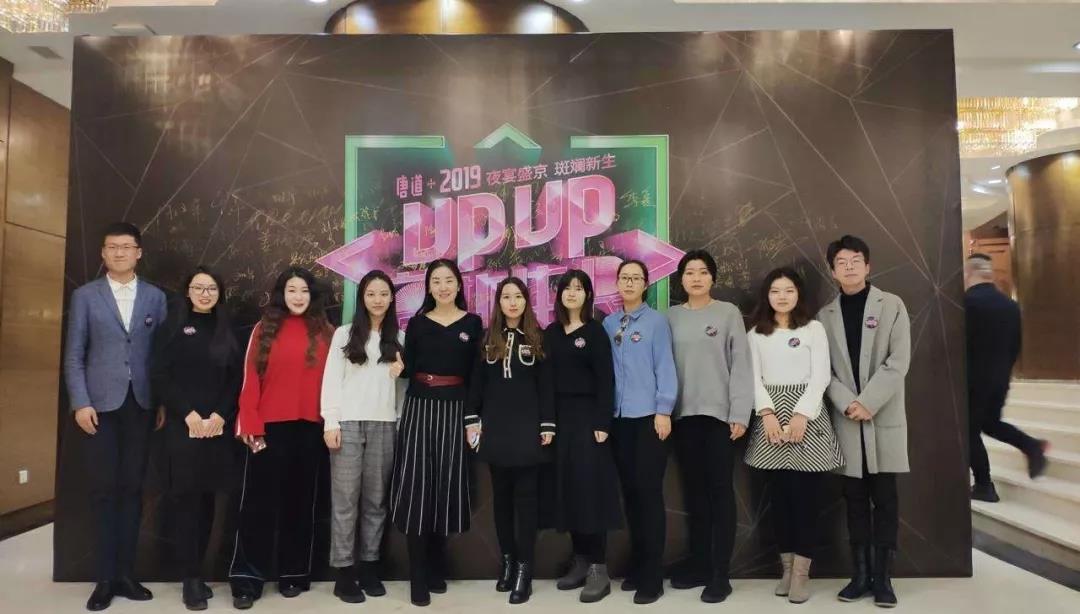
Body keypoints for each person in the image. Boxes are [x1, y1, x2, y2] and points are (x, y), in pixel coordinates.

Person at [63, 222, 167, 612]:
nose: (119, 252)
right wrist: (80, 402)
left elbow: (161, 356)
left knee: (133, 490)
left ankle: (125, 574)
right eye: (112, 247)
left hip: (141, 406)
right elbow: (74, 354)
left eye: (126, 246)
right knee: (104, 491)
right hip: (99, 409)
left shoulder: (155, 297)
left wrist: (161, 402)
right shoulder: (85, 296)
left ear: (139, 252)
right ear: (103, 253)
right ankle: (105, 578)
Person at [228, 267, 333, 610]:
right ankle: (247, 580)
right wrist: (249, 423)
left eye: (304, 290)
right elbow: (250, 378)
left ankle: (293, 574)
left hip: (310, 428)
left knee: (300, 505)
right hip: (268, 429)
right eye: (291, 290)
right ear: (281, 294)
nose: (298, 297)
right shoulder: (264, 329)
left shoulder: (327, 332)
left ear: (312, 295)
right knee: (258, 506)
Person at [817, 235, 910, 609]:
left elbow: (898, 361)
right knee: (854, 501)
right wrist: (848, 403)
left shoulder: (893, 305)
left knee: (885, 500)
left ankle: (883, 579)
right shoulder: (824, 316)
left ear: (868, 266)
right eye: (841, 262)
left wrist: (868, 402)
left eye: (856, 260)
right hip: (847, 420)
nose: (849, 267)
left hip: (882, 414)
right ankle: (859, 577)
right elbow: (822, 370)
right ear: (832, 270)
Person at [743, 267, 843, 604]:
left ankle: (802, 573)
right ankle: (786, 569)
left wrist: (801, 414)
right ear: (767, 296)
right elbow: (753, 378)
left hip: (807, 416)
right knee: (780, 500)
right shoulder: (756, 333)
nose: (782, 296)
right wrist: (767, 413)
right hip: (769, 418)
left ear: (798, 294)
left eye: (788, 290)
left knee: (805, 501)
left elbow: (821, 376)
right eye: (775, 291)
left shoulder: (813, 329)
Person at [390, 258, 483, 607]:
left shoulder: (473, 323)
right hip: (419, 407)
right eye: (436, 281)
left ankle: (435, 566)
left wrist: (473, 417)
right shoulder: (417, 323)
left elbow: (476, 376)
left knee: (445, 485)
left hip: (455, 409)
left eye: (448, 280)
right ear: (428, 287)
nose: (443, 287)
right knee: (417, 487)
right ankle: (418, 576)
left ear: (459, 284)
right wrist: (399, 368)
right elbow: (410, 368)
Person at [151, 266, 242, 611]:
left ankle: (200, 573)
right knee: (186, 503)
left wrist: (219, 415)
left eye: (211, 288)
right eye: (198, 287)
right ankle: (189, 579)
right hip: (183, 426)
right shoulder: (173, 326)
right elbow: (160, 375)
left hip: (217, 428)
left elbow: (235, 379)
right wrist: (188, 414)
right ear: (187, 291)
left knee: (207, 504)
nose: (205, 294)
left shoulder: (227, 328)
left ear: (220, 293)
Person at [666, 250, 754, 603]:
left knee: (720, 494)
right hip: (682, 418)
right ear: (681, 279)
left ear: (713, 278)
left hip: (720, 418)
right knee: (695, 494)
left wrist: (740, 413)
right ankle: (700, 564)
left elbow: (741, 365)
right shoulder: (670, 317)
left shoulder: (728, 313)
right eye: (690, 272)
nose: (696, 278)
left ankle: (721, 574)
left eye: (703, 272)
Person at [465, 276, 556, 605]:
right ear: (499, 302)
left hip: (528, 432)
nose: (513, 302)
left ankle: (524, 570)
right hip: (496, 431)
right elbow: (476, 385)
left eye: (518, 296)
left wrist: (547, 424)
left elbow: (546, 387)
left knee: (526, 504)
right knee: (501, 502)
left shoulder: (538, 337)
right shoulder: (487, 339)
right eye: (506, 297)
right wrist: (472, 421)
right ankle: (507, 561)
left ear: (526, 301)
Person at [321, 270, 405, 603]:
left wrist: (399, 420)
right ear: (362, 298)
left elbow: (404, 389)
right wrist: (331, 422)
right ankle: (343, 573)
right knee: (345, 502)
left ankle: (370, 568)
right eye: (371, 294)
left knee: (376, 502)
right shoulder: (344, 334)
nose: (378, 300)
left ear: (392, 298)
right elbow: (331, 379)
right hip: (348, 424)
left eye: (384, 294)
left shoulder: (400, 337)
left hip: (384, 424)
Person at [601, 259, 678, 605]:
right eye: (624, 278)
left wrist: (664, 410)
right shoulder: (609, 323)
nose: (629, 283)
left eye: (636, 278)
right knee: (630, 495)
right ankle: (637, 565)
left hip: (649, 419)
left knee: (648, 496)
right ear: (617, 284)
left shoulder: (656, 322)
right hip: (619, 421)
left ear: (646, 285)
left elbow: (665, 367)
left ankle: (653, 576)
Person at [544, 270, 622, 603]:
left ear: (588, 295)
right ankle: (579, 561)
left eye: (579, 288)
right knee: (569, 490)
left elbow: (606, 380)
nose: (572, 293)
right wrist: (547, 422)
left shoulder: (595, 332)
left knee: (591, 491)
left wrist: (603, 422)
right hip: (559, 420)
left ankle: (598, 568)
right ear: (559, 294)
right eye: (567, 288)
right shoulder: (550, 333)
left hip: (589, 420)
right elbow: (544, 381)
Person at [964, 253, 1048, 502]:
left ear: (968, 273)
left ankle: (984, 485)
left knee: (968, 432)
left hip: (973, 380)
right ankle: (1031, 446)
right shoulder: (1010, 306)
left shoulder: (966, 304)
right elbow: (1015, 345)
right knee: (990, 423)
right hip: (1000, 378)